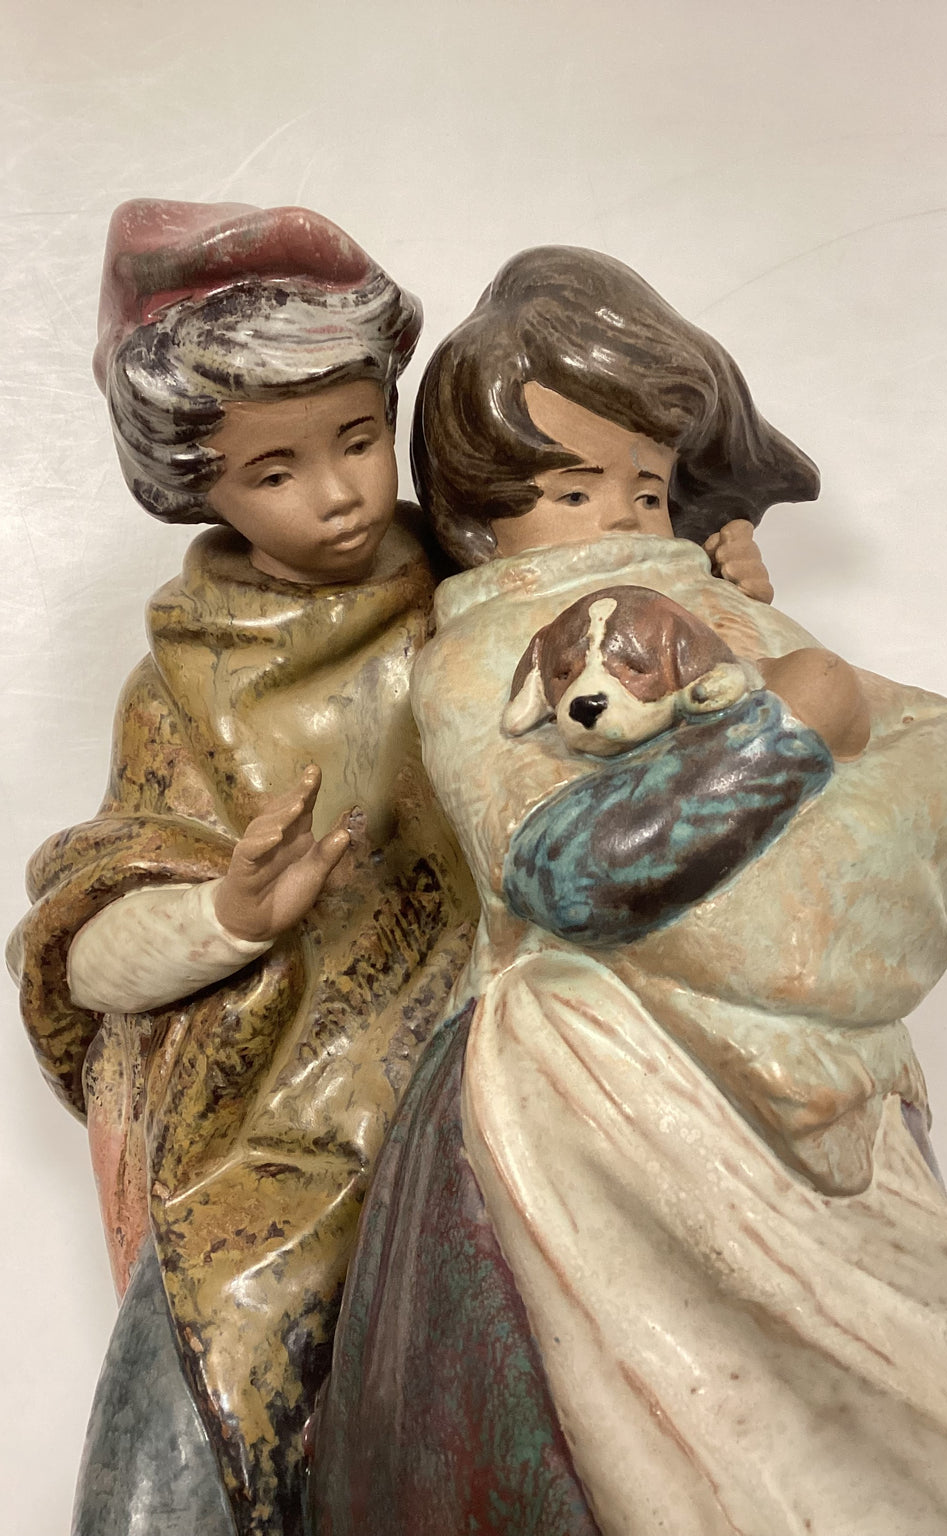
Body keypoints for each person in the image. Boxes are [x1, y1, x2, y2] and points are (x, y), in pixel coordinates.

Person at [310, 247, 947, 1536]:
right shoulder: (479, 657)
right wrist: (784, 740)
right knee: (621, 1434)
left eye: (647, 487)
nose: (622, 520)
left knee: (858, 1450)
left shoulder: (734, 616)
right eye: (572, 489)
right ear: (479, 514)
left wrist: (813, 855)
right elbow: (559, 867)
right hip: (597, 1099)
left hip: (830, 1082)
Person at [7, 200, 476, 1536]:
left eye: (359, 438)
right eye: (275, 469)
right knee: (169, 1455)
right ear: (193, 484)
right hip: (293, 1125)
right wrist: (224, 913)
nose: (339, 493)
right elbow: (82, 952)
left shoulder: (482, 585)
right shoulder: (182, 688)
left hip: (506, 1046)